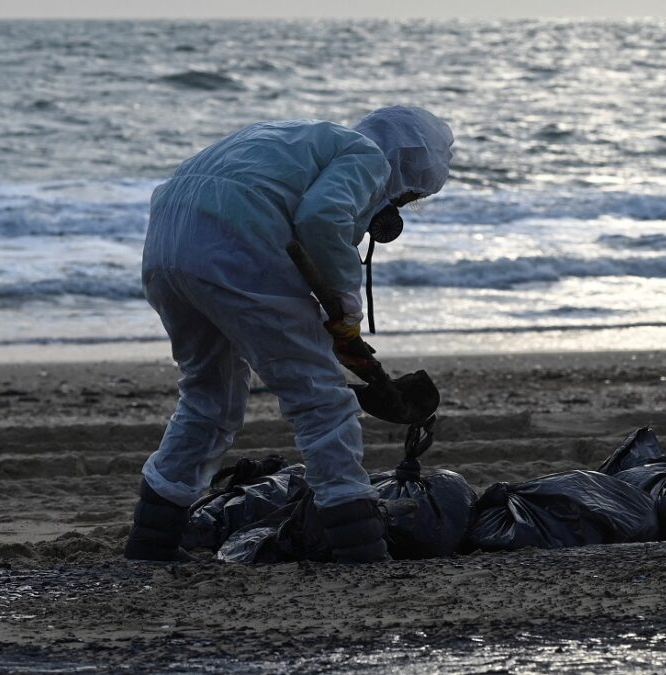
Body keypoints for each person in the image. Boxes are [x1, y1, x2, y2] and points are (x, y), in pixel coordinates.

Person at [125, 106, 454, 563]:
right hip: (233, 245)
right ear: (407, 166)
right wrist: (345, 306)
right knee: (321, 399)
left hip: (166, 244)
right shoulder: (368, 156)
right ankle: (359, 546)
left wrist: (330, 316)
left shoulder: (300, 138)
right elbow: (323, 217)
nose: (395, 206)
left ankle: (151, 542)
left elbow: (285, 209)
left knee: (209, 395)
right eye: (405, 195)